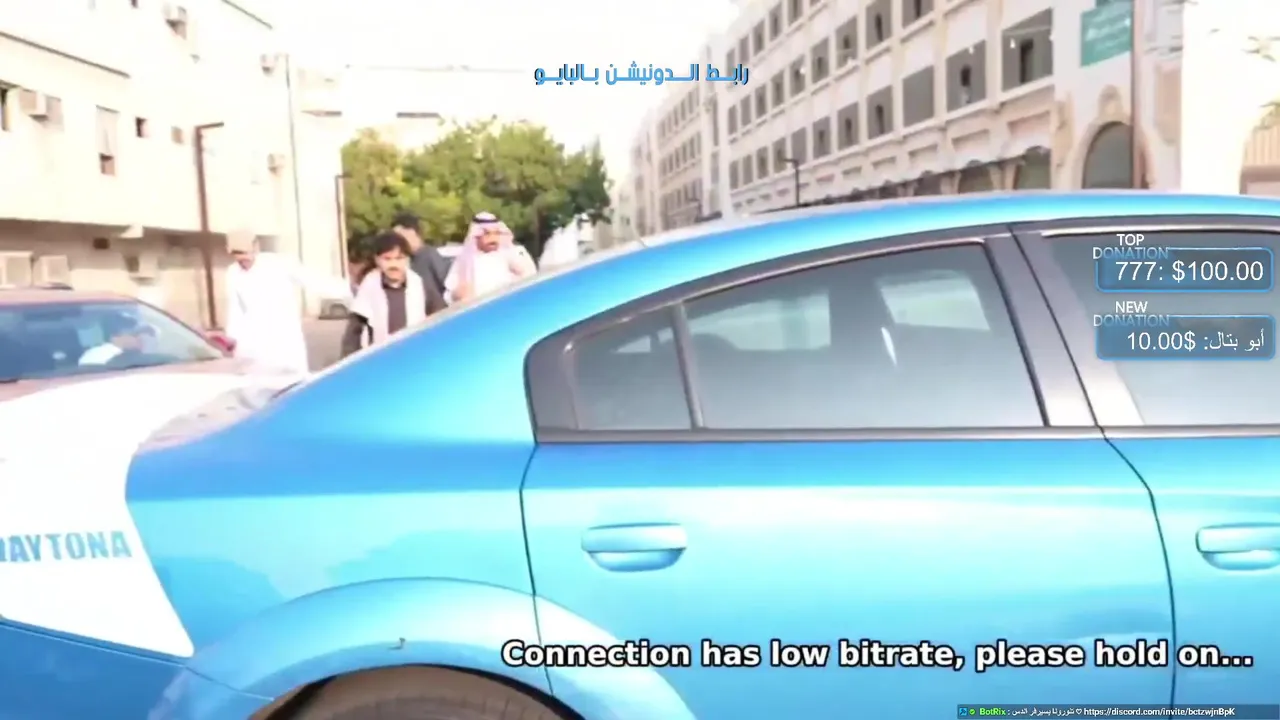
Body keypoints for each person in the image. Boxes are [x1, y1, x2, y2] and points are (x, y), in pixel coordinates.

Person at [224, 229, 349, 374]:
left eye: (246, 252)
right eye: (237, 254)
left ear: (256, 246)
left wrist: (349, 290)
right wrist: (232, 340)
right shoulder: (233, 273)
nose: (243, 258)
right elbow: (235, 310)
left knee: (294, 382)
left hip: (285, 343)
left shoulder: (278, 264)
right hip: (254, 348)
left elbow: (313, 280)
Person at [340, 232, 443, 358]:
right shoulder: (369, 287)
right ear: (377, 260)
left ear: (407, 260)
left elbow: (441, 319)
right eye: (387, 259)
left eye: (399, 258)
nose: (393, 265)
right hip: (380, 357)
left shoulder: (420, 285)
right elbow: (353, 333)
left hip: (415, 356)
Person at [444, 212, 537, 304]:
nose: (493, 238)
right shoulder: (464, 261)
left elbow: (533, 280)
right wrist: (457, 294)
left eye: (497, 233)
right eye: (487, 234)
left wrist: (520, 272)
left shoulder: (514, 254)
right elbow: (449, 295)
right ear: (476, 236)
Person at [391, 212, 450, 312]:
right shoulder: (407, 262)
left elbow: (448, 287)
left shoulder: (430, 255)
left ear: (412, 232)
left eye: (400, 236)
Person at [79, 314, 151, 365]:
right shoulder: (95, 357)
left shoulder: (142, 357)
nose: (139, 338)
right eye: (134, 334)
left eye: (139, 334)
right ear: (115, 337)